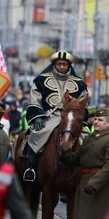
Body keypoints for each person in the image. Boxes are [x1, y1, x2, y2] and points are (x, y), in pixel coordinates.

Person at [24, 50, 87, 181]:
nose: (62, 67)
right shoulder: (41, 80)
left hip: (72, 117)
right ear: (54, 64)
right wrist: (38, 117)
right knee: (37, 134)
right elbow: (35, 99)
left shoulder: (79, 83)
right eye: (59, 64)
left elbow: (83, 102)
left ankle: (86, 171)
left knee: (87, 139)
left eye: (64, 64)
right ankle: (30, 167)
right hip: (50, 116)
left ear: (69, 65)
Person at [62, 108, 109, 219]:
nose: (96, 122)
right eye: (95, 119)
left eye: (100, 120)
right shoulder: (89, 138)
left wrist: (94, 184)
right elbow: (79, 158)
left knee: (97, 217)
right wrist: (65, 156)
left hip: (102, 187)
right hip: (85, 182)